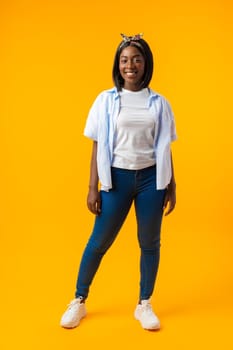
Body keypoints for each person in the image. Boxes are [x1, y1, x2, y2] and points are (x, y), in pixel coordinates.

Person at [60, 33, 177, 331]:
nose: (130, 65)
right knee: (99, 242)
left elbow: (164, 146)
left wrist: (172, 184)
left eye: (137, 59)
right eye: (125, 60)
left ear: (146, 63)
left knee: (150, 243)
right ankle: (79, 300)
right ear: (118, 64)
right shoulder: (106, 100)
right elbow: (97, 144)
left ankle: (144, 303)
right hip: (117, 179)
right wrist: (92, 187)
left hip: (152, 179)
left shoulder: (159, 103)